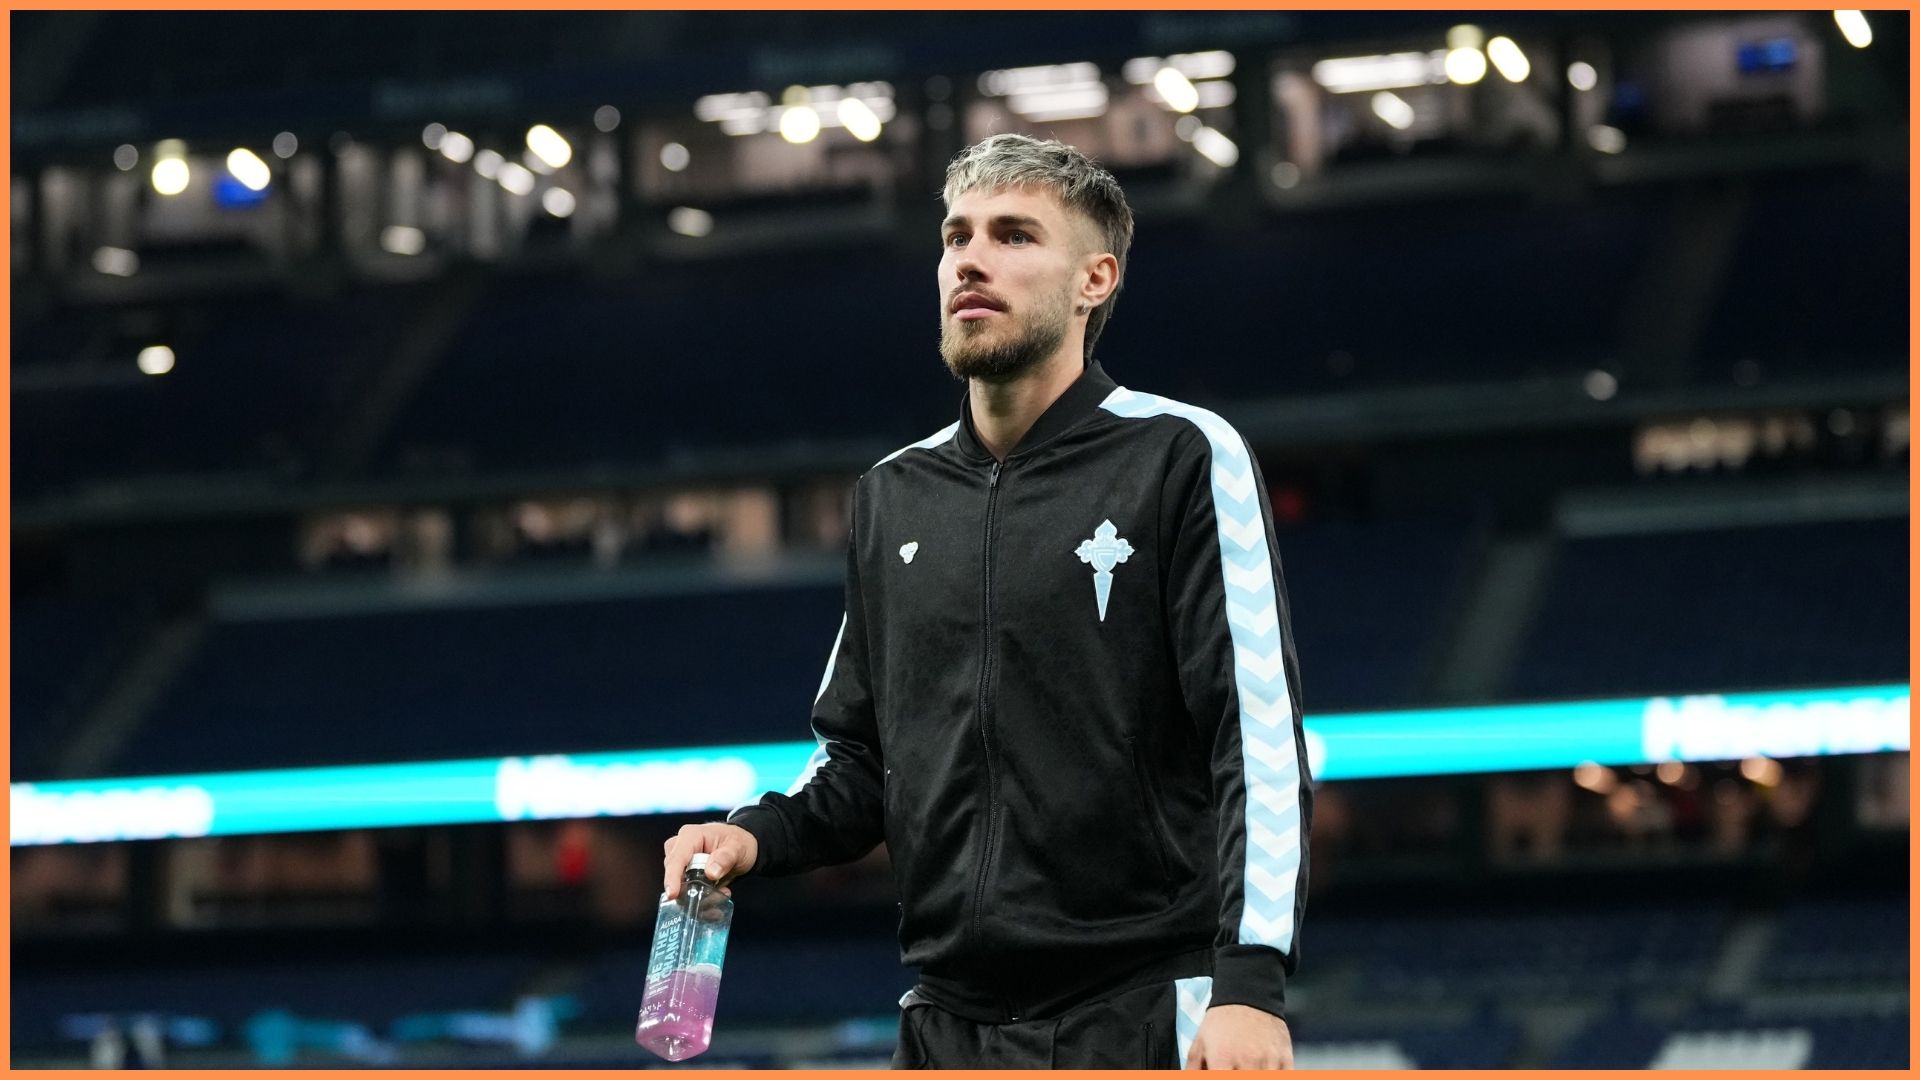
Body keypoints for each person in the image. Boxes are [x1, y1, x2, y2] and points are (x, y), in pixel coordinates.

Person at [663, 133, 1311, 1070]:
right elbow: (859, 758)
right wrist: (751, 836)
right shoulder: (892, 493)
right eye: (955, 236)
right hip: (945, 1025)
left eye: (1013, 236)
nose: (970, 258)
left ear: (1094, 280)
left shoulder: (1180, 453)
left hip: (1141, 1011)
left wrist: (1250, 981)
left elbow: (1254, 735)